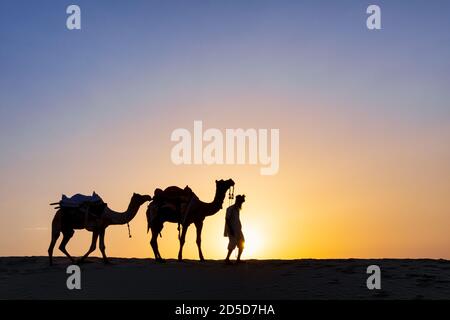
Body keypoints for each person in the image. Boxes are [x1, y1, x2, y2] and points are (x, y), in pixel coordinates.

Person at [224, 194, 246, 263]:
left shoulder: (237, 209)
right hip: (232, 230)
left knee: (242, 242)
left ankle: (238, 259)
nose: (241, 203)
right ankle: (227, 259)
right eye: (241, 202)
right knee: (232, 243)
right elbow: (227, 219)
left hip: (238, 230)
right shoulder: (230, 209)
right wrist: (230, 230)